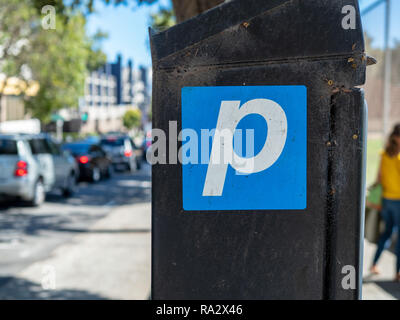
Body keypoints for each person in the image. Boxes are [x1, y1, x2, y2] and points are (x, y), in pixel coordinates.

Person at [370, 124, 400, 282]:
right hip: (398, 201)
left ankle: (373, 264)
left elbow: (378, 179)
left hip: (386, 201)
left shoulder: (384, 154)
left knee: (386, 233)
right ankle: (397, 273)